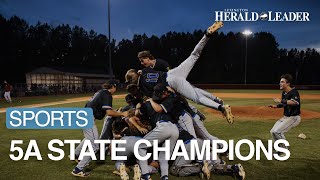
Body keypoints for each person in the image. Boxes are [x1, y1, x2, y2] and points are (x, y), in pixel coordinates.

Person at [125, 21, 234, 124]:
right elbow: (143, 73)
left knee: (197, 98)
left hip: (172, 82)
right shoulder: (143, 71)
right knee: (194, 56)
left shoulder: (143, 86)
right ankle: (207, 35)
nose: (141, 63)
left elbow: (155, 93)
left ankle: (222, 108)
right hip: (174, 73)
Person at [71, 80, 128, 177]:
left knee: (88, 138)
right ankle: (78, 169)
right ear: (113, 86)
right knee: (95, 146)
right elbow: (109, 113)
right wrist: (122, 113)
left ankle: (75, 154)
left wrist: (115, 111)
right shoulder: (107, 94)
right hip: (87, 118)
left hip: (82, 116)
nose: (116, 89)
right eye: (116, 87)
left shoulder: (100, 92)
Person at [269, 74, 301, 153]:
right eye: (280, 82)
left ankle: (285, 150)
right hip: (286, 117)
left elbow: (295, 102)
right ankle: (279, 147)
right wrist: (276, 106)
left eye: (282, 82)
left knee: (278, 132)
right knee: (273, 131)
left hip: (294, 118)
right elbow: (285, 104)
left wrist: (281, 101)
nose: (280, 83)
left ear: (288, 83)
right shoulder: (284, 93)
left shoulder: (294, 92)